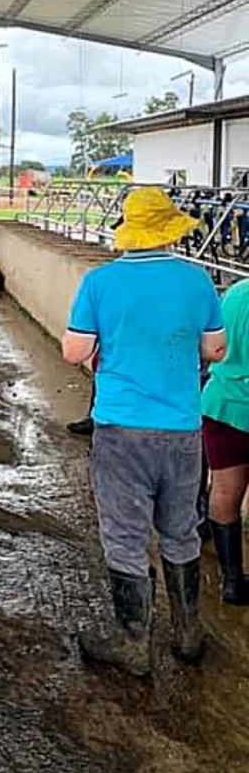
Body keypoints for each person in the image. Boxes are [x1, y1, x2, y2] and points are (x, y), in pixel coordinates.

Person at [62, 185, 226, 677]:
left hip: (121, 429)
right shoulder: (197, 282)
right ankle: (188, 633)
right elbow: (215, 350)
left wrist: (102, 357)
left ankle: (133, 642)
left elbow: (73, 350)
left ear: (128, 233)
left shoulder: (100, 282)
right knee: (180, 529)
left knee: (125, 533)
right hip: (181, 429)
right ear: (169, 230)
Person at [201, 278, 249, 605]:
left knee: (224, 489)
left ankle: (232, 581)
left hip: (223, 405)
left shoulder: (235, 293)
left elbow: (212, 348)